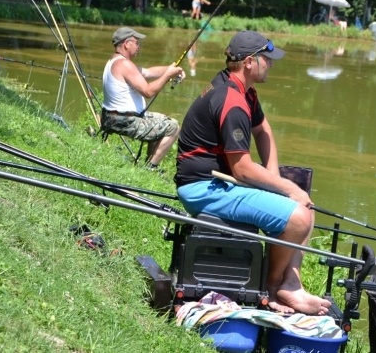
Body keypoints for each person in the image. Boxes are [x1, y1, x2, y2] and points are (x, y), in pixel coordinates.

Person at [175, 30, 331, 316]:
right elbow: (242, 169)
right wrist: (285, 187)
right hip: (203, 187)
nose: (271, 64)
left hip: (219, 182)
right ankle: (272, 290)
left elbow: (263, 130)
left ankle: (291, 283)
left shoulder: (242, 90)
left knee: (304, 204)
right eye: (267, 59)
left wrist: (274, 178)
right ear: (249, 62)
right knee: (298, 217)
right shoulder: (231, 100)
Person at [101, 27, 185, 171]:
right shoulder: (124, 64)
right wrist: (167, 76)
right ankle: (151, 168)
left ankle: (148, 164)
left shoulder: (115, 61)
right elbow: (148, 92)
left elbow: (148, 72)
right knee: (173, 126)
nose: (138, 46)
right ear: (127, 43)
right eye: (136, 42)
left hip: (113, 117)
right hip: (124, 121)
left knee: (162, 120)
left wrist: (172, 69)